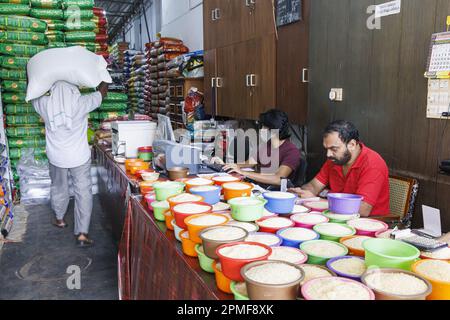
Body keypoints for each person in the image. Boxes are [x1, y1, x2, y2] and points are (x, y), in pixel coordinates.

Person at [32, 81, 109, 247]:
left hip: (56, 156)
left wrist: (29, 74)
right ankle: (82, 233)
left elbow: (31, 92)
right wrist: (104, 77)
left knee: (59, 186)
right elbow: (101, 94)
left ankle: (60, 219)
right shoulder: (81, 102)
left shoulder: (45, 103)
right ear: (73, 90)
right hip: (79, 156)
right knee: (83, 192)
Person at [289, 120, 390, 217]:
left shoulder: (372, 164)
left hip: (369, 222)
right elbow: (314, 187)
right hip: (337, 215)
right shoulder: (335, 160)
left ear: (352, 145)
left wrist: (316, 201)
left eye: (334, 149)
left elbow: (363, 209)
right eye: (327, 149)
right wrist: (298, 193)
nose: (328, 154)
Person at [214, 109, 301, 187]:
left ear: (274, 129)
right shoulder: (267, 144)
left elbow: (278, 178)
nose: (261, 130)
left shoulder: (292, 151)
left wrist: (243, 172)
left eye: (264, 127)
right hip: (261, 187)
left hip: (275, 192)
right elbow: (251, 162)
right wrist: (228, 166)